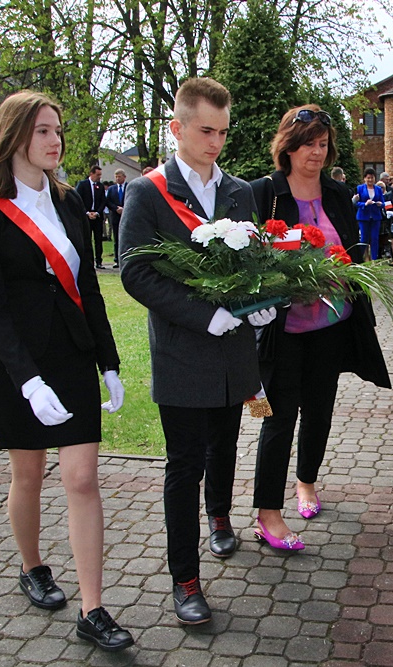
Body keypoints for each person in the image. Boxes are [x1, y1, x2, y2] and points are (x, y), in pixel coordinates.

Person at [0, 90, 133, 652]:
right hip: (17, 365)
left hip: (72, 355)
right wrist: (28, 382)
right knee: (29, 474)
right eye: (42, 130)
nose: (54, 140)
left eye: (57, 130)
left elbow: (87, 288)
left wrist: (109, 362)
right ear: (14, 135)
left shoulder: (67, 202)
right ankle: (32, 566)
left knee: (82, 479)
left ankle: (93, 609)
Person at [119, 77, 274, 626]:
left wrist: (262, 301)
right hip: (183, 352)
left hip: (234, 351)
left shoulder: (239, 191)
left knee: (225, 442)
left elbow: (253, 261)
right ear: (177, 128)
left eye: (223, 132)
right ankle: (185, 579)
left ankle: (220, 516)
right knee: (185, 464)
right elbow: (135, 273)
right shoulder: (148, 192)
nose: (216, 142)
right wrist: (203, 315)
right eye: (206, 131)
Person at [249, 104, 391, 552]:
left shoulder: (337, 193)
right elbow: (249, 259)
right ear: (287, 146)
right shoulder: (264, 193)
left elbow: (352, 249)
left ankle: (306, 482)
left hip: (332, 325)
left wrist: (347, 270)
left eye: (323, 144)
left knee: (320, 411)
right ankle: (267, 514)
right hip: (282, 330)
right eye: (307, 143)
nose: (315, 152)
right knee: (276, 419)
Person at [76, 166, 106, 268]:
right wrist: (87, 213)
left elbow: (103, 201)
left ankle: (99, 261)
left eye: (100, 175)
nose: (99, 177)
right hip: (86, 218)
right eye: (97, 175)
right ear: (91, 174)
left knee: (98, 240)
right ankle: (88, 262)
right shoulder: (82, 185)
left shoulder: (100, 186)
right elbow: (78, 200)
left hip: (97, 217)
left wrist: (97, 212)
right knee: (87, 240)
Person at [355, 167, 385, 262]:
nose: (370, 180)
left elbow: (383, 203)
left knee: (375, 238)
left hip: (375, 217)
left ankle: (374, 260)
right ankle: (360, 259)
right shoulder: (360, 188)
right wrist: (365, 204)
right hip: (363, 217)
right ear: (364, 178)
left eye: (372, 178)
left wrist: (380, 204)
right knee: (364, 239)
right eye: (368, 178)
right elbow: (356, 203)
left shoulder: (378, 189)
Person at [105, 169, 127, 268]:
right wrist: (116, 208)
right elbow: (108, 201)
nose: (117, 178)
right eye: (116, 177)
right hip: (115, 216)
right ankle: (117, 259)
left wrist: (124, 208)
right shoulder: (112, 189)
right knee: (116, 238)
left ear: (124, 177)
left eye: (119, 177)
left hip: (126, 215)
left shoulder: (128, 187)